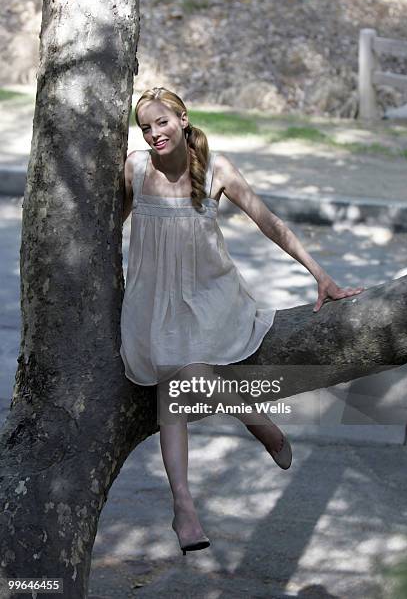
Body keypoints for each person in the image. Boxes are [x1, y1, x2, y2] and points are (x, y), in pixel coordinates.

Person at [120, 87, 364, 555]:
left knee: (177, 382)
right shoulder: (134, 168)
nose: (154, 134)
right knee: (176, 381)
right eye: (146, 127)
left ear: (183, 119)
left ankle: (184, 506)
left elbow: (270, 223)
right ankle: (254, 425)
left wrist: (323, 277)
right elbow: (107, 227)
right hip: (153, 305)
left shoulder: (216, 170)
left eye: (162, 123)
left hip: (211, 298)